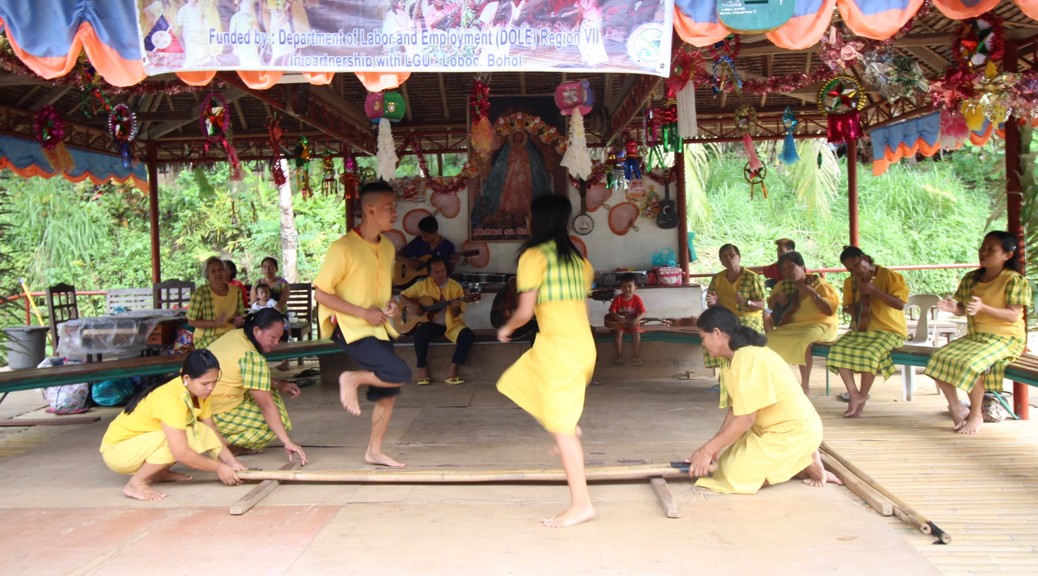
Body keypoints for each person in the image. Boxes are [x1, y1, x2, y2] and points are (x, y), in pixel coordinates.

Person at [497, 194, 597, 528]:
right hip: (580, 347)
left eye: (529, 216)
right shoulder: (580, 262)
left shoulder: (533, 256)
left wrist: (506, 328)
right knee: (518, 379)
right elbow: (584, 311)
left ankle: (581, 504)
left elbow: (525, 311)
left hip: (560, 350)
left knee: (562, 431)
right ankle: (565, 426)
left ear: (538, 220)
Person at [685, 307, 841, 493]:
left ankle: (804, 459)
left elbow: (746, 419)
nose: (703, 344)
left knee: (735, 476)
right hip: (767, 431)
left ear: (717, 333)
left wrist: (708, 450)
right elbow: (736, 410)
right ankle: (797, 461)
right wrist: (714, 447)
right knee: (722, 467)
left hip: (793, 432)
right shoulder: (734, 359)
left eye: (703, 337)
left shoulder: (749, 357)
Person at [314, 181, 412, 468]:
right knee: (399, 372)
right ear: (370, 210)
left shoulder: (388, 247)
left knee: (388, 391)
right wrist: (363, 313)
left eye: (395, 207)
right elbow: (321, 294)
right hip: (349, 328)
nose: (394, 213)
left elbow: (380, 291)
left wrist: (390, 305)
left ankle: (374, 451)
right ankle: (351, 378)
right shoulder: (342, 248)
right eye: (389, 208)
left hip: (378, 327)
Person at [99, 350, 247, 502]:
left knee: (201, 431)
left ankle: (158, 473)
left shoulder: (201, 393)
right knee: (178, 440)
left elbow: (211, 430)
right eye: (205, 383)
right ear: (187, 378)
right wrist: (218, 467)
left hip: (141, 444)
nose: (210, 388)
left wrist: (231, 462)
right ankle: (135, 484)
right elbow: (180, 453)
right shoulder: (169, 397)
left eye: (214, 382)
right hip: (118, 451)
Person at [924, 231, 1031, 434]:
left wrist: (983, 308)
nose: (984, 252)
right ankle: (957, 408)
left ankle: (976, 414)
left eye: (991, 249)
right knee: (937, 359)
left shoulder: (1014, 280)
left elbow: (1012, 316)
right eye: (983, 247)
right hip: (976, 337)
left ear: (1007, 255)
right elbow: (963, 309)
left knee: (970, 365)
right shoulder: (971, 278)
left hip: (1006, 339)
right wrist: (953, 308)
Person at [208, 308, 308, 464]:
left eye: (279, 338)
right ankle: (215, 443)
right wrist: (287, 441)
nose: (276, 343)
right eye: (273, 337)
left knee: (271, 393)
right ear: (256, 330)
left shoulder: (236, 335)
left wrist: (279, 384)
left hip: (200, 402)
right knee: (276, 423)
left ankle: (221, 442)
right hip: (216, 409)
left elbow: (253, 377)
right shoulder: (252, 357)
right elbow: (266, 406)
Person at [827, 246, 908, 418]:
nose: (855, 271)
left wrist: (875, 292)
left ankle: (862, 396)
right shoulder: (851, 282)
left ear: (865, 258)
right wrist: (852, 309)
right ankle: (853, 393)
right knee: (837, 349)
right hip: (862, 330)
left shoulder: (889, 276)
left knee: (870, 352)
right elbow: (848, 306)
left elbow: (900, 304)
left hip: (890, 330)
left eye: (857, 265)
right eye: (850, 269)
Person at [765, 251, 839, 393]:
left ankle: (805, 385)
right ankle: (778, 383)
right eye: (784, 270)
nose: (788, 272)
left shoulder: (820, 285)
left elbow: (829, 311)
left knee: (805, 339)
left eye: (791, 266)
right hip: (792, 326)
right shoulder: (782, 285)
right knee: (768, 340)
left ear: (802, 266)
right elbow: (771, 307)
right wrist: (777, 300)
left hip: (822, 324)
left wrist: (812, 293)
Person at [398, 256, 476, 385]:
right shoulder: (423, 285)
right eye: (437, 272)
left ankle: (453, 368)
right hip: (431, 324)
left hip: (451, 324)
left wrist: (455, 308)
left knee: (468, 336)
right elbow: (402, 295)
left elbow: (457, 313)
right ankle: (422, 368)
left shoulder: (455, 287)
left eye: (443, 270)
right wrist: (413, 305)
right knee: (420, 335)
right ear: (429, 273)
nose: (441, 274)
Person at [704, 244, 767, 373]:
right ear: (721, 261)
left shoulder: (751, 277)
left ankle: (744, 370)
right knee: (711, 333)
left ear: (739, 256)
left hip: (748, 318)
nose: (729, 258)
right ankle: (726, 371)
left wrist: (747, 302)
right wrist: (714, 303)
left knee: (740, 336)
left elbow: (761, 304)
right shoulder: (717, 278)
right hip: (726, 318)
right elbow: (711, 304)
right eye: (724, 256)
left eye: (732, 255)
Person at [188, 257, 246, 349]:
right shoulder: (200, 293)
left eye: (220, 269)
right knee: (225, 349)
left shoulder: (236, 291)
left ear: (226, 272)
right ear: (207, 276)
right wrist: (214, 323)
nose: (218, 273)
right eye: (213, 271)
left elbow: (239, 315)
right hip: (206, 337)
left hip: (231, 334)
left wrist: (238, 319)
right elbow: (191, 322)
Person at [605, 272, 646, 366]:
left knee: (636, 333)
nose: (627, 289)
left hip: (632, 322)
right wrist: (617, 316)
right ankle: (619, 356)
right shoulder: (618, 298)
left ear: (635, 287)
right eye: (624, 286)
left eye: (630, 286)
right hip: (621, 323)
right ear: (621, 287)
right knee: (618, 333)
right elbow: (611, 311)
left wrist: (637, 319)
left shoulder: (637, 299)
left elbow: (643, 312)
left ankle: (636, 355)